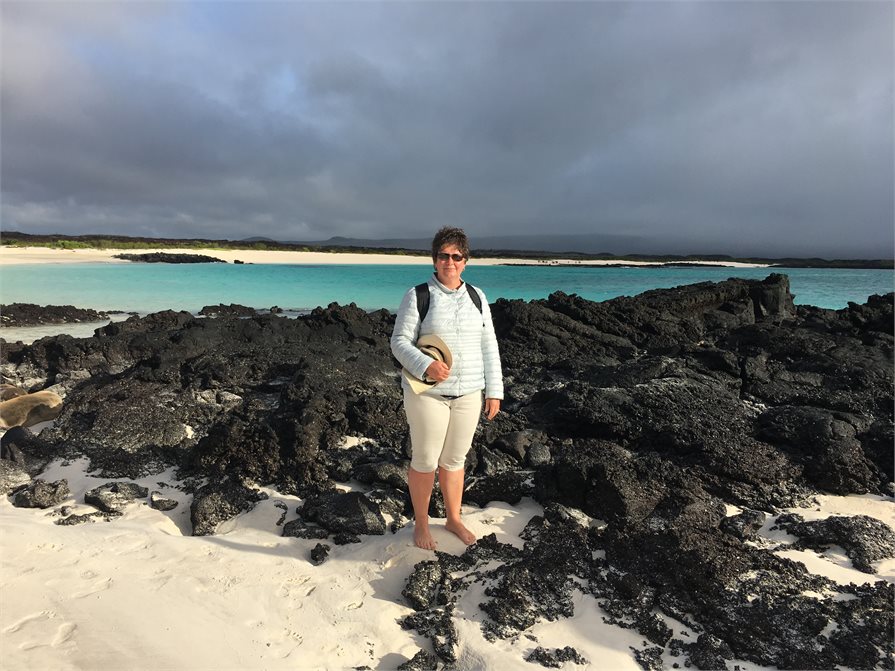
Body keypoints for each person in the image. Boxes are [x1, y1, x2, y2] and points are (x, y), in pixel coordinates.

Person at [390, 227, 503, 550]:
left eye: (456, 256)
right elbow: (399, 342)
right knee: (425, 459)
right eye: (444, 256)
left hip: (469, 393)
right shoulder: (418, 295)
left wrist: (494, 389)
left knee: (455, 459)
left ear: (465, 261)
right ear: (435, 260)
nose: (450, 262)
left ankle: (453, 518)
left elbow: (489, 344)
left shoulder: (477, 297)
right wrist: (425, 365)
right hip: (427, 394)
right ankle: (422, 523)